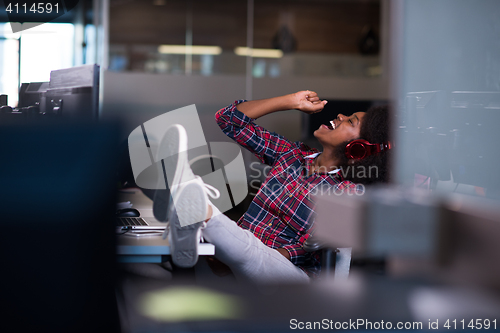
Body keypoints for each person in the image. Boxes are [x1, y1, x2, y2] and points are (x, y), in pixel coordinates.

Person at [165, 90, 391, 283]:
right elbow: (229, 120)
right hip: (238, 252)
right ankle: (199, 216)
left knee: (253, 254)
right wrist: (290, 101)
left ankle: (197, 204)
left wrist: (234, 257)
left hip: (292, 278)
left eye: (350, 121)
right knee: (224, 249)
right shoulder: (291, 154)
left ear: (358, 149)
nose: (340, 115)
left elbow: (305, 249)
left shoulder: (348, 192)